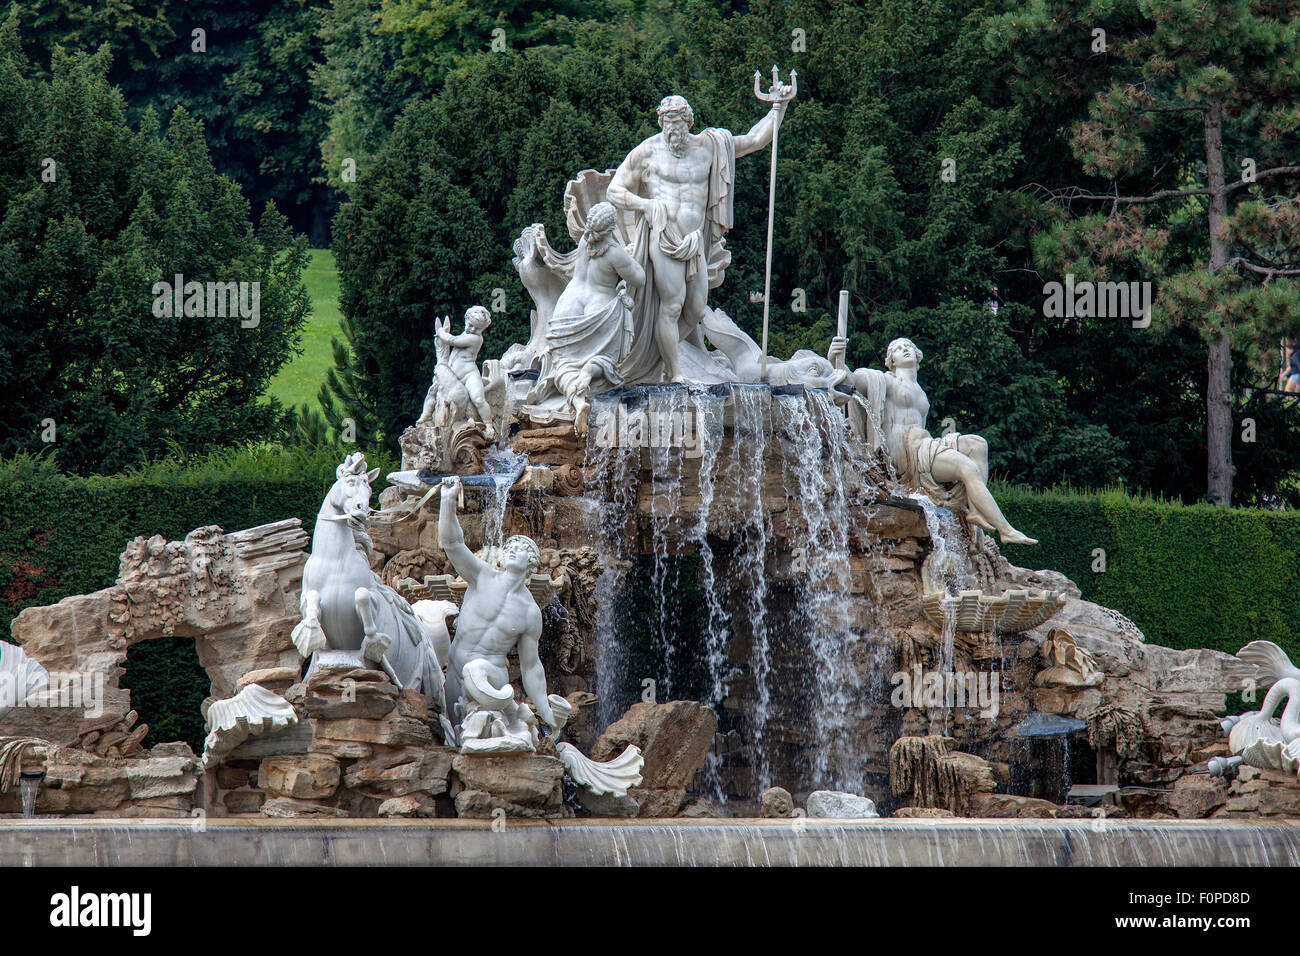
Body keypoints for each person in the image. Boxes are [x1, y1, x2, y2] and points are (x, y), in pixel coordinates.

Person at [607, 93, 788, 383]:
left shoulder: (710, 147)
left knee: (695, 309)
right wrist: (646, 204)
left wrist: (779, 107)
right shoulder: (647, 152)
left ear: (688, 121)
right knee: (673, 305)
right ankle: (674, 372)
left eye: (678, 123)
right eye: (667, 123)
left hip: (694, 241)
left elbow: (755, 140)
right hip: (664, 237)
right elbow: (614, 191)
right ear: (660, 122)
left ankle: (654, 354)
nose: (672, 130)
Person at [828, 335, 1037, 545]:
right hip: (906, 451)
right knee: (967, 468)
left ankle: (975, 512)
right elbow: (850, 380)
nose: (906, 349)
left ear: (917, 355)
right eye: (898, 349)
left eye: (909, 346)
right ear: (891, 361)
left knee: (978, 444)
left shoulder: (921, 392)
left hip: (924, 444)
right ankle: (1005, 529)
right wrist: (836, 357)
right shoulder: (885, 381)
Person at [526, 202, 645, 433]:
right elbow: (639, 278)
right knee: (605, 358)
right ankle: (591, 370)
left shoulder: (584, 241)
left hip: (568, 307)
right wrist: (631, 257)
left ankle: (578, 400)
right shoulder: (613, 251)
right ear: (611, 227)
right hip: (598, 311)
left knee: (563, 365)